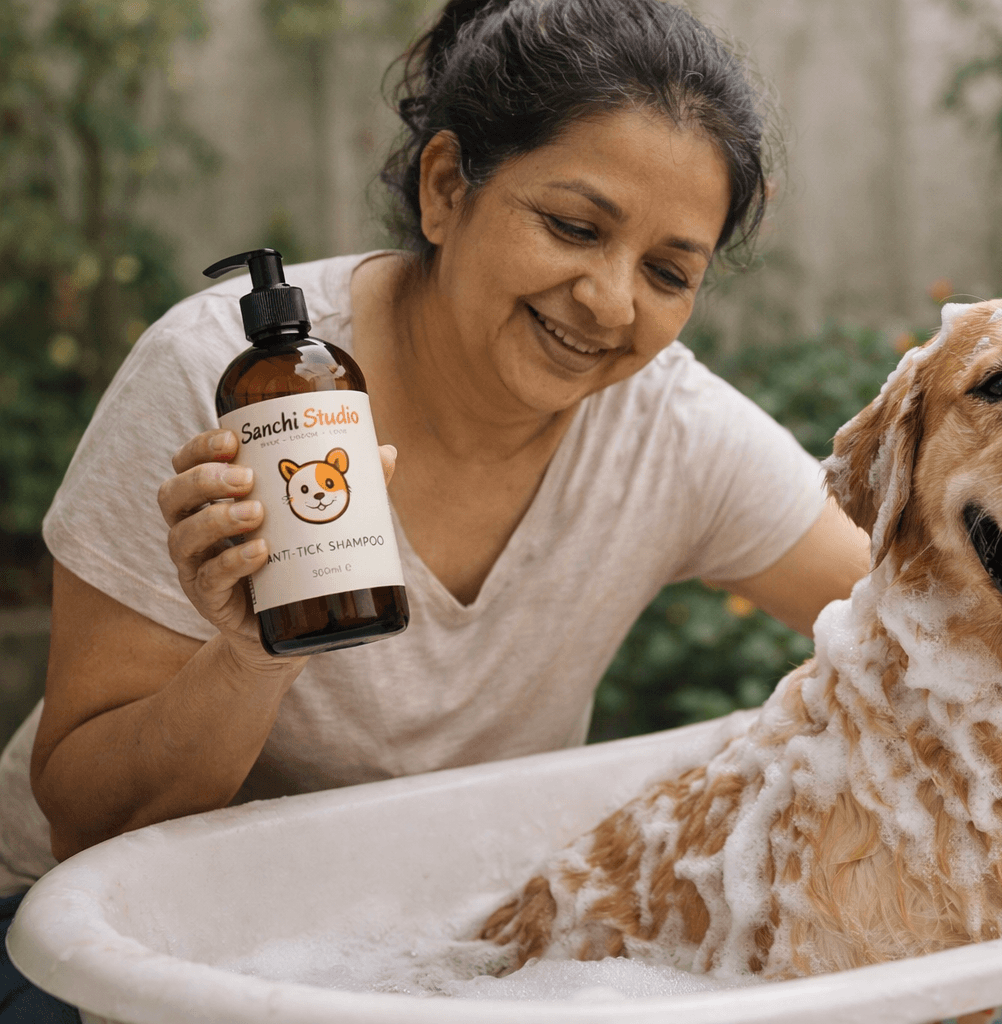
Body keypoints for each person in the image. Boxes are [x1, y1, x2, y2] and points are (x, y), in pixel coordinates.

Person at [0, 0, 869, 1014]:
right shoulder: (232, 390)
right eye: (573, 227)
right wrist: (248, 656)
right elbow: (83, 830)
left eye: (669, 272)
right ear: (448, 187)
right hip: (94, 955)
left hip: (413, 953)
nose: (611, 300)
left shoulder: (666, 429)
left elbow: (914, 615)